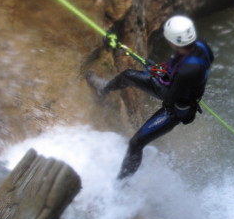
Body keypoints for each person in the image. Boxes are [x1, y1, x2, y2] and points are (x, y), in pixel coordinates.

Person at [86, 15, 214, 179]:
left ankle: (121, 186)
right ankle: (104, 89)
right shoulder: (201, 45)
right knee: (128, 75)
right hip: (178, 89)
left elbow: (169, 97)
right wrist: (161, 69)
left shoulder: (187, 71)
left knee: (135, 144)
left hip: (175, 109)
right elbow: (180, 63)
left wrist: (155, 74)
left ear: (174, 41)